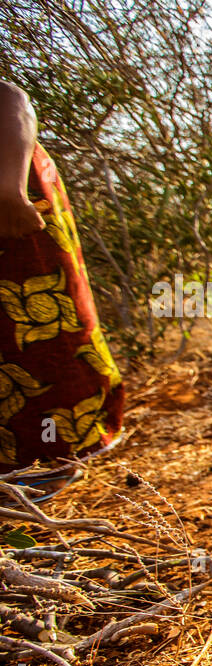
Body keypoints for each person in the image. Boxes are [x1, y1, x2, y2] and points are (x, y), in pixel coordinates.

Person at [0, 80, 124, 487]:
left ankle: (44, 463)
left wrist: (9, 191)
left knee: (35, 332)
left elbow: (11, 96)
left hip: (11, 202)